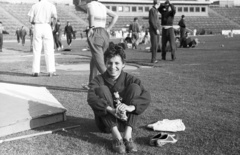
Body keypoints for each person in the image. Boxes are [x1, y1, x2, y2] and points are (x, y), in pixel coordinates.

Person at [87, 43, 151, 154]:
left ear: (123, 64)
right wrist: (110, 109)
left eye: (117, 63)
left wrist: (131, 107)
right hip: (106, 124)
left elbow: (146, 96)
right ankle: (117, 138)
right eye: (109, 63)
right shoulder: (98, 79)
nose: (113, 67)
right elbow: (91, 97)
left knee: (135, 88)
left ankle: (127, 136)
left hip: (126, 121)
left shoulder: (130, 79)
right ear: (105, 63)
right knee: (102, 89)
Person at [83, 0, 118, 90]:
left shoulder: (90, 5)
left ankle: (114, 84)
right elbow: (115, 15)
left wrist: (91, 28)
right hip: (104, 33)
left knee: (100, 63)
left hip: (96, 32)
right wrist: (109, 28)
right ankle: (92, 84)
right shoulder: (102, 6)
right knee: (94, 60)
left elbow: (91, 15)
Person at [28, 0, 58, 77]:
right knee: (49, 50)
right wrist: (53, 26)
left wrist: (35, 23)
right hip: (47, 26)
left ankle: (35, 71)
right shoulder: (51, 5)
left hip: (37, 26)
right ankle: (50, 71)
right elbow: (55, 17)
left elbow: (30, 20)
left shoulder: (34, 5)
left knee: (37, 50)